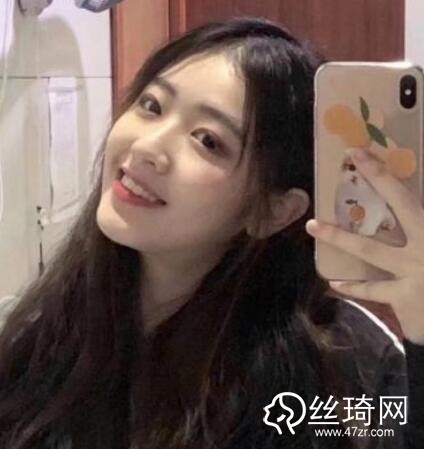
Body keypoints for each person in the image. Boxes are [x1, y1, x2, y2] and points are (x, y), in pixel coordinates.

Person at [0, 16, 422, 449]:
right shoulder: (47, 329)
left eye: (208, 141)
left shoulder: (343, 367)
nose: (147, 146)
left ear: (273, 211)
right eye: (152, 105)